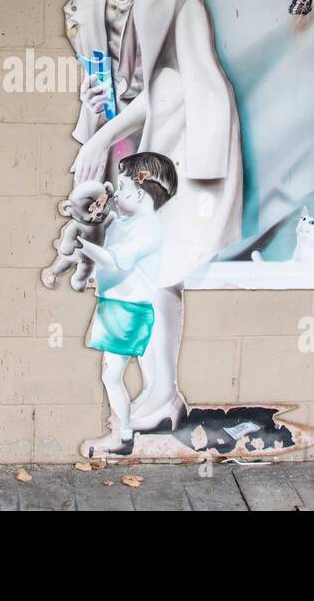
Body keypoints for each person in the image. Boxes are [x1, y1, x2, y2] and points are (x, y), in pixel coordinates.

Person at [60, 0, 243, 431]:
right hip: (131, 142)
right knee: (137, 267)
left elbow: (174, 84)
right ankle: (160, 387)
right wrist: (96, 112)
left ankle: (164, 391)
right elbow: (108, 79)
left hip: (178, 139)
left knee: (164, 266)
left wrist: (102, 138)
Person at [76, 152, 177, 456]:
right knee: (117, 372)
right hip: (115, 306)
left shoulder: (147, 229)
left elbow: (116, 260)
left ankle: (124, 434)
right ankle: (128, 428)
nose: (116, 193)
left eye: (122, 188)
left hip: (128, 310)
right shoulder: (130, 222)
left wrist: (81, 245)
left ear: (141, 192)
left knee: (111, 374)